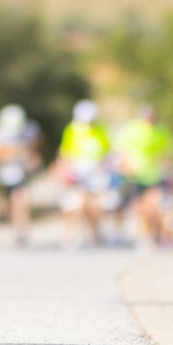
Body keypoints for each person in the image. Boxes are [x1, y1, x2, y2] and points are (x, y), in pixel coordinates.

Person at [113, 105, 173, 247]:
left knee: (159, 206)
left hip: (155, 175)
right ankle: (145, 235)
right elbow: (120, 152)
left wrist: (168, 170)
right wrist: (124, 166)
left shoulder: (162, 131)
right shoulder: (130, 129)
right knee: (140, 208)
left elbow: (167, 154)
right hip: (135, 176)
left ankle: (161, 236)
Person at [52, 100, 113, 249]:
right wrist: (65, 170)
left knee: (95, 206)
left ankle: (94, 234)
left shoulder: (101, 130)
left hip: (96, 173)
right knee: (77, 204)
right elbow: (64, 153)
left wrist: (104, 167)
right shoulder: (72, 130)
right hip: (77, 173)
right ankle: (72, 236)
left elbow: (107, 152)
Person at [0, 104, 42, 246]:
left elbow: (37, 147)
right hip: (6, 174)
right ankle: (15, 227)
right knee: (10, 204)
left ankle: (22, 230)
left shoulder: (31, 130)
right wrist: (8, 154)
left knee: (21, 200)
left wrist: (33, 159)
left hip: (23, 173)